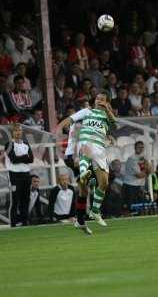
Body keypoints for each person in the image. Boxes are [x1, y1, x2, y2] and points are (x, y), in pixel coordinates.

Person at [56, 91, 116, 229]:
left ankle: (81, 219)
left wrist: (107, 137)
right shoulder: (84, 115)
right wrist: (59, 127)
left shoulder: (98, 117)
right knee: (87, 184)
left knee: (86, 189)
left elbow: (106, 125)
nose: (97, 102)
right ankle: (86, 215)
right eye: (97, 99)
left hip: (91, 151)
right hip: (74, 155)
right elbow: (77, 134)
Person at [5, 124, 34, 227]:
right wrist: (25, 157)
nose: (18, 132)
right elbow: (13, 159)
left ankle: (24, 221)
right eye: (16, 130)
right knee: (15, 200)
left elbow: (31, 159)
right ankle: (13, 223)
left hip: (26, 173)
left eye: (20, 130)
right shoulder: (9, 144)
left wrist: (21, 158)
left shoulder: (26, 143)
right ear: (12, 132)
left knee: (25, 199)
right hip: (14, 174)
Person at [122, 141, 152, 214]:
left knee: (140, 207)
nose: (141, 149)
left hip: (139, 185)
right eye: (139, 147)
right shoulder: (131, 159)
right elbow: (139, 175)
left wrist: (146, 164)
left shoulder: (143, 158)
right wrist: (147, 171)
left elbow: (150, 170)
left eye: (142, 147)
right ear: (135, 148)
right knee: (131, 208)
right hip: (130, 186)